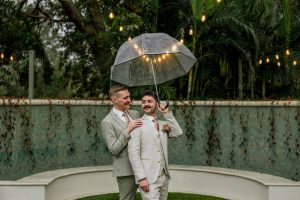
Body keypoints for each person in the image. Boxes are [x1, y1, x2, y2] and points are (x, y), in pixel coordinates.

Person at [128, 90, 183, 200]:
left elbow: (178, 132)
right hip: (148, 178)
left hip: (164, 176)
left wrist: (166, 113)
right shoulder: (137, 124)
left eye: (149, 101)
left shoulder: (163, 124)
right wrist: (141, 178)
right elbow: (133, 155)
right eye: (143, 102)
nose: (146, 104)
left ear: (157, 104)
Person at [101, 84, 143, 200]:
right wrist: (128, 129)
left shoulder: (135, 114)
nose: (129, 100)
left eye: (129, 97)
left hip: (143, 166)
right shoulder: (107, 122)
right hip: (125, 170)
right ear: (114, 100)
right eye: (125, 98)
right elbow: (114, 149)